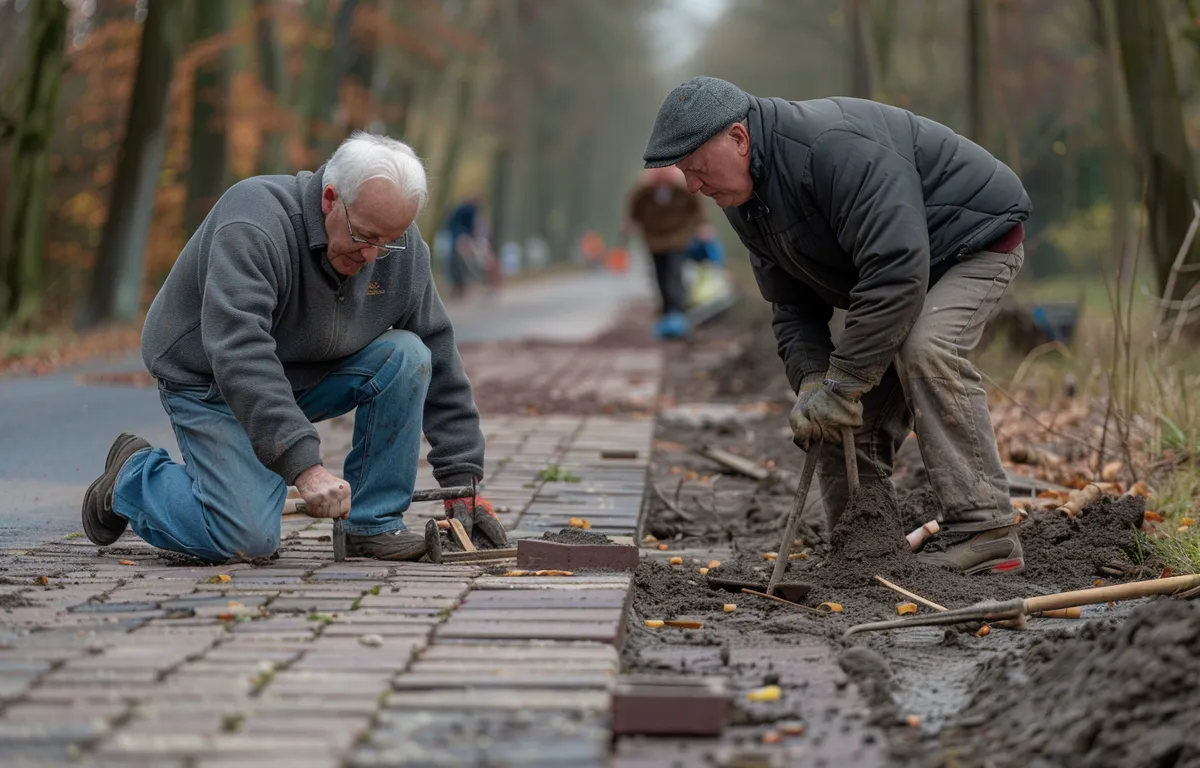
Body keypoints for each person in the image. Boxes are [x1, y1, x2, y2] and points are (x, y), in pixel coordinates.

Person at [643, 77, 1031, 574]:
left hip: (971, 242)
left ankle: (988, 530)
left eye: (696, 169)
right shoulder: (744, 199)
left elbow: (895, 270)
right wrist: (811, 382)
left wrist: (844, 381)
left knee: (927, 348)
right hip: (906, 268)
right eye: (683, 174)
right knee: (829, 409)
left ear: (738, 138)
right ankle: (863, 547)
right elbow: (792, 306)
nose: (692, 186)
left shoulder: (832, 149)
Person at [81, 132, 505, 563]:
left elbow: (438, 353)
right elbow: (240, 350)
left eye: (389, 240)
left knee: (409, 355)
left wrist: (464, 487)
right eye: (365, 235)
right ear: (329, 199)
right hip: (211, 383)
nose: (375, 255)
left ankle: (373, 524)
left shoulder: (400, 248)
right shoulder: (254, 221)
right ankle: (133, 477)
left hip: (304, 373)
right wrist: (305, 468)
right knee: (246, 537)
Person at [624, 166, 705, 339]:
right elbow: (633, 209)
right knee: (660, 275)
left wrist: (702, 225)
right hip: (654, 240)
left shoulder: (682, 190)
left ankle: (678, 312)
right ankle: (667, 312)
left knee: (674, 273)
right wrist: (629, 224)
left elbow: (697, 208)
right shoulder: (643, 192)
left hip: (678, 238)